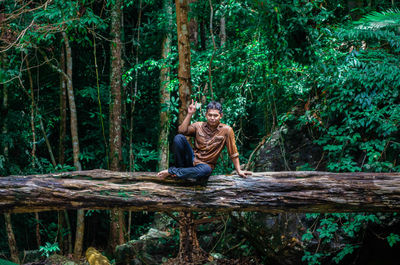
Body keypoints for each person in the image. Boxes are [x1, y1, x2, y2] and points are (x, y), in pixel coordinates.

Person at [157, 99, 251, 180]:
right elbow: (181, 130)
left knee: (205, 171)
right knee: (178, 138)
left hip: (205, 165)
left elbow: (233, 153)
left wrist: (239, 171)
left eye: (215, 115)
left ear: (221, 116)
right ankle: (180, 172)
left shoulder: (227, 130)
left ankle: (174, 172)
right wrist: (190, 114)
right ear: (206, 115)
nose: (212, 118)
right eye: (210, 115)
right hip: (191, 160)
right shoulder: (198, 125)